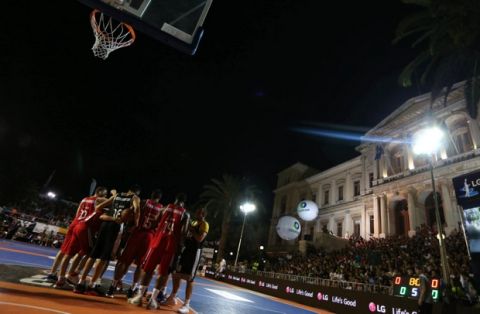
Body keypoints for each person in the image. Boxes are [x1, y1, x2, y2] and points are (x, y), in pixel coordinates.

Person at [74, 185, 141, 295]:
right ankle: (92, 285)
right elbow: (137, 210)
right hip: (116, 227)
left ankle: (80, 283)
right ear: (136, 193)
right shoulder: (134, 198)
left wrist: (111, 213)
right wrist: (136, 224)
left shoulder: (117, 195)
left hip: (105, 225)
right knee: (104, 258)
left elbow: (98, 207)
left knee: (93, 255)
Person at [128, 193, 188, 309]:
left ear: (175, 199)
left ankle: (139, 296)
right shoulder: (185, 214)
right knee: (163, 273)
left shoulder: (164, 208)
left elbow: (155, 222)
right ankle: (153, 300)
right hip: (170, 246)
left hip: (157, 242)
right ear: (183, 203)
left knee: (148, 270)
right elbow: (183, 233)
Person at [106, 189, 164, 298]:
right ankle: (132, 289)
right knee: (140, 265)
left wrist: (132, 224)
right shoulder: (161, 208)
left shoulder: (143, 202)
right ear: (159, 198)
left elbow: (134, 212)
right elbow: (158, 224)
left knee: (122, 261)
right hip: (149, 236)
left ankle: (112, 287)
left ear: (151, 195)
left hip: (137, 233)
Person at [46, 187, 108, 282]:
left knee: (64, 250)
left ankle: (53, 273)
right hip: (84, 226)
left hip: (75, 223)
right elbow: (108, 202)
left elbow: (77, 213)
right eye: (104, 193)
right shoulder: (98, 200)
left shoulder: (84, 199)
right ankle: (72, 274)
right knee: (88, 253)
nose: (105, 196)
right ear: (99, 192)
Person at [165, 207, 209, 313]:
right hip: (186, 251)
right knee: (177, 274)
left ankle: (186, 304)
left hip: (195, 252)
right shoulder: (193, 222)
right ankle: (173, 296)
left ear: (203, 214)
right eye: (197, 211)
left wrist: (191, 229)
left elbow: (200, 239)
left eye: (200, 212)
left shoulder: (204, 224)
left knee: (189, 278)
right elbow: (186, 235)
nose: (198, 213)